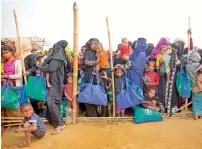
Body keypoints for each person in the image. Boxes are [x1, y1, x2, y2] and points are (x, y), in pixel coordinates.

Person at [39, 40, 67, 134]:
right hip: (54, 83)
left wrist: (40, 67)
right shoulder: (58, 57)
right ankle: (56, 123)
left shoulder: (57, 58)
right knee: (54, 102)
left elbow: (50, 69)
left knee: (51, 103)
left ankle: (60, 124)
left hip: (54, 83)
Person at [1, 44, 23, 119]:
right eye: (3, 53)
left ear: (11, 52)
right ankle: (11, 122)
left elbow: (19, 75)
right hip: (4, 86)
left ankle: (20, 121)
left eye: (6, 52)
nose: (4, 55)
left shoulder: (17, 62)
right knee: (6, 104)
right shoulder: (2, 63)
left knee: (14, 105)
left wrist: (6, 76)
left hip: (14, 87)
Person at [159, 43, 180, 116]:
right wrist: (168, 78)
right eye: (166, 48)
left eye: (169, 48)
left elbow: (178, 63)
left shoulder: (172, 56)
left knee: (170, 93)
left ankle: (168, 108)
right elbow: (164, 65)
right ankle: (166, 108)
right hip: (166, 79)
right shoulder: (166, 56)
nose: (167, 50)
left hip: (170, 79)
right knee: (165, 92)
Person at [80, 38, 100, 117]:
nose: (93, 46)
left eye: (95, 44)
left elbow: (105, 62)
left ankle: (99, 113)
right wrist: (96, 62)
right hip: (89, 74)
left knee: (98, 92)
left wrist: (100, 64)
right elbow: (86, 62)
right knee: (90, 91)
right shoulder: (88, 53)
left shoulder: (100, 52)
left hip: (98, 74)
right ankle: (91, 114)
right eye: (91, 44)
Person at [185, 52, 202, 120]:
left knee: (195, 100)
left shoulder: (187, 66)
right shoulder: (198, 65)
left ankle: (196, 114)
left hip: (192, 85)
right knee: (200, 100)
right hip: (200, 85)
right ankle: (200, 114)